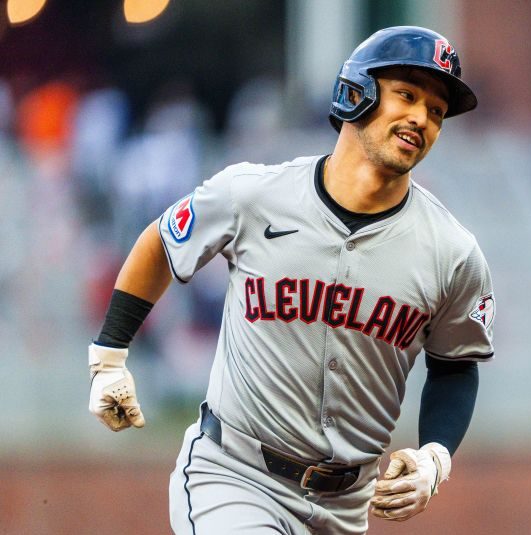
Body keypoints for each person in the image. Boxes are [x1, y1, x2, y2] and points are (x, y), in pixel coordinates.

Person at [87, 26, 495, 534]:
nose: (421, 117)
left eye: (436, 111)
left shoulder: (453, 252)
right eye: (408, 95)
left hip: (345, 506)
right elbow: (162, 243)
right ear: (357, 93)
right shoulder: (253, 194)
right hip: (233, 475)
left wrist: (436, 454)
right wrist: (109, 356)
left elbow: (456, 364)